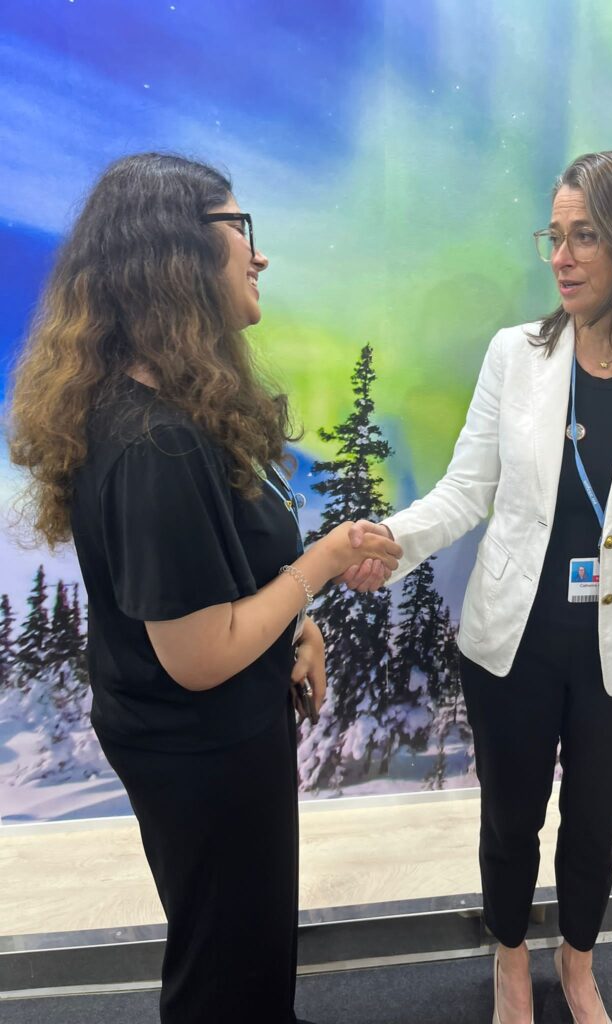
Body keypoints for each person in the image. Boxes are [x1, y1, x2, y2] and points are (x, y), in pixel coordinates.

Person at [343, 150, 612, 1024]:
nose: (560, 257)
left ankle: (580, 960)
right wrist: (393, 540)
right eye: (553, 237)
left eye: (584, 236)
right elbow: (465, 491)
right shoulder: (514, 356)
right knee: (509, 819)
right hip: (512, 641)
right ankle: (512, 960)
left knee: (594, 829)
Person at [8, 153, 401, 1024]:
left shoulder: (161, 411)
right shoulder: (156, 443)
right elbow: (197, 655)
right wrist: (322, 563)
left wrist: (292, 622)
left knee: (242, 949)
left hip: (211, 740)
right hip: (201, 748)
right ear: (178, 255)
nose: (256, 256)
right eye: (240, 231)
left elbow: (215, 589)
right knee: (225, 973)